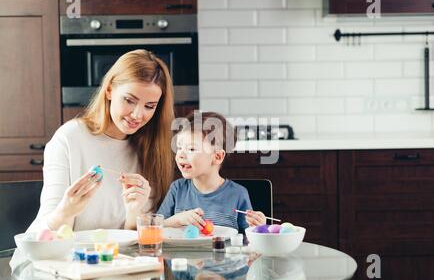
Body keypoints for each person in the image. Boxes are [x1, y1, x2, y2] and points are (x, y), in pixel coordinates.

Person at [26, 49, 175, 233]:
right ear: (110, 90)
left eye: (149, 106)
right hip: (62, 255)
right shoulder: (69, 138)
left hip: (121, 260)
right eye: (129, 100)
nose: (137, 115)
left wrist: (134, 213)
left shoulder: (152, 148)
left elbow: (136, 242)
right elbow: (45, 231)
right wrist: (66, 211)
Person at [157, 111, 266, 233]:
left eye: (192, 149)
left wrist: (259, 227)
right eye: (179, 147)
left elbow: (249, 239)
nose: (180, 154)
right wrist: (176, 220)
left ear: (217, 157)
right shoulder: (177, 189)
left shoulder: (238, 194)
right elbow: (154, 226)